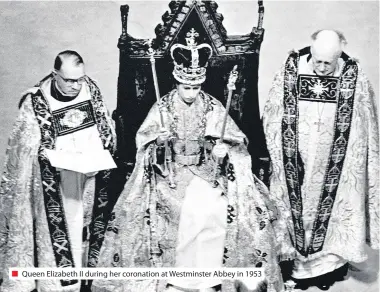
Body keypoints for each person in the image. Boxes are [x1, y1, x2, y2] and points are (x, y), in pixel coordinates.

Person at [91, 29, 283, 292]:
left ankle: (208, 277)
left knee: (214, 210)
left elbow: (236, 139)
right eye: (186, 87)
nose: (191, 93)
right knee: (183, 211)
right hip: (169, 172)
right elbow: (143, 143)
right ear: (176, 83)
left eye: (195, 87)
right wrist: (158, 143)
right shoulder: (163, 107)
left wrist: (222, 147)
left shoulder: (212, 106)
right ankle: (180, 278)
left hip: (206, 171)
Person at [263, 29, 379, 290]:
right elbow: (272, 113)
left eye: (329, 62)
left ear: (340, 56)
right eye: (318, 61)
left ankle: (327, 267)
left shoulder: (354, 77)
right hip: (296, 160)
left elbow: (364, 126)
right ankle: (295, 262)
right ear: (311, 51)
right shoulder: (290, 70)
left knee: (334, 209)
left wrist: (350, 157)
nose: (323, 68)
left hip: (334, 164)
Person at [0, 50, 117, 292]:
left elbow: (106, 128)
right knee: (65, 228)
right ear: (55, 75)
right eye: (69, 80)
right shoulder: (36, 102)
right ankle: (56, 284)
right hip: (53, 182)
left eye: (79, 79)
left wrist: (103, 143)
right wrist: (46, 154)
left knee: (84, 227)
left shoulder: (90, 90)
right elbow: (24, 148)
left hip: (88, 176)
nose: (76, 86)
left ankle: (86, 279)